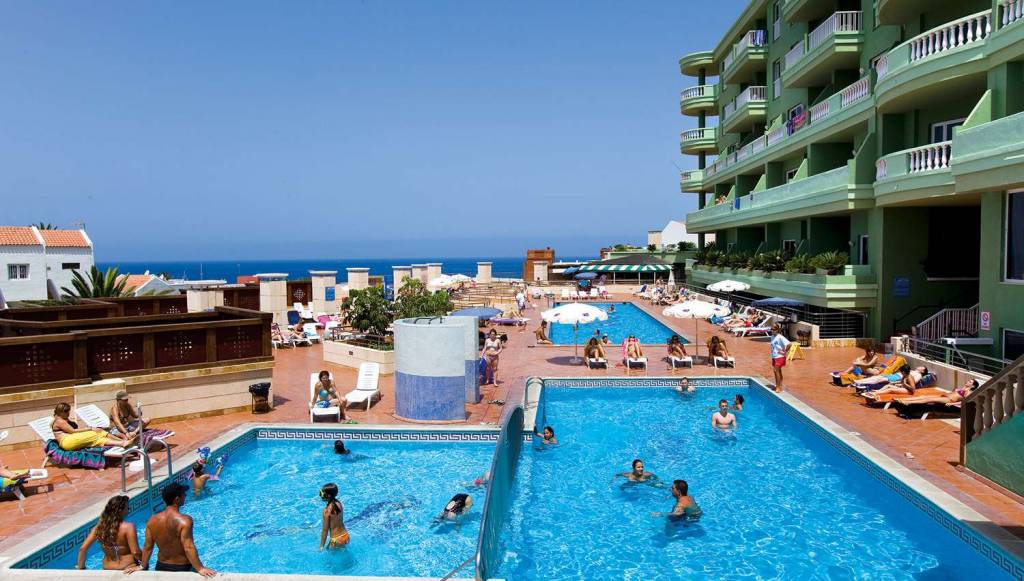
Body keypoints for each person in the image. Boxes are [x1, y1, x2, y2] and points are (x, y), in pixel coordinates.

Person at [141, 483, 216, 576]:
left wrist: (142, 566)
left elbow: (147, 546)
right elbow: (188, 547)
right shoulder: (185, 520)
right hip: (182, 567)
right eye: (183, 494)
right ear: (177, 499)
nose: (186, 495)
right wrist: (200, 568)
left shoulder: (152, 520)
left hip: (161, 566)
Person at [77, 495, 141, 572]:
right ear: (120, 510)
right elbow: (135, 552)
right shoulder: (128, 527)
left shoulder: (98, 528)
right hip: (127, 568)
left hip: (107, 568)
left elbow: (82, 549)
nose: (128, 511)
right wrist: (144, 564)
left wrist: (81, 568)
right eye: (127, 508)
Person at [51, 403, 135, 451]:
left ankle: (123, 443)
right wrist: (90, 428)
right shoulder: (60, 421)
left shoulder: (62, 418)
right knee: (96, 433)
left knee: (98, 439)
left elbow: (73, 428)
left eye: (68, 411)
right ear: (60, 412)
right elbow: (72, 431)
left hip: (70, 440)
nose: (68, 413)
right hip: (67, 441)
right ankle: (124, 441)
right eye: (66, 411)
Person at [896, 378, 979, 406]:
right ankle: (904, 400)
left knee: (928, 399)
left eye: (970, 382)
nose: (967, 381)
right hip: (945, 396)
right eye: (968, 380)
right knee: (924, 396)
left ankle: (908, 402)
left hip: (949, 400)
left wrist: (952, 404)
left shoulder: (969, 392)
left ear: (973, 386)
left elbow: (964, 402)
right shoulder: (963, 388)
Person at [318, 483, 349, 550]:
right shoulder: (338, 503)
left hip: (336, 540)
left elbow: (325, 530)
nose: (321, 496)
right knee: (329, 549)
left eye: (322, 494)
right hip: (345, 535)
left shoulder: (327, 511)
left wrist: (321, 546)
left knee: (329, 554)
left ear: (328, 495)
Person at [769, 324, 791, 393]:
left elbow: (789, 344)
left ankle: (778, 387)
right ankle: (779, 385)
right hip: (774, 356)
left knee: (776, 370)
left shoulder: (780, 337)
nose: (772, 331)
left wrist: (785, 351)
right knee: (778, 371)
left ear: (777, 330)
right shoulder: (772, 337)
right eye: (771, 329)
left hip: (780, 356)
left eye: (774, 329)